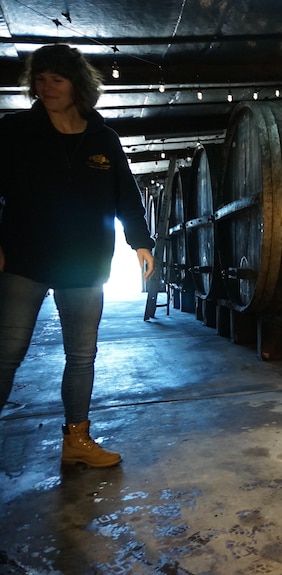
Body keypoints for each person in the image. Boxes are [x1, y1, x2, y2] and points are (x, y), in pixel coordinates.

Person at [0, 44, 155, 468]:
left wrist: (141, 242)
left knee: (82, 356)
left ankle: (77, 440)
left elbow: (127, 196)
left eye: (57, 79)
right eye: (40, 78)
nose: (45, 87)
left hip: (85, 263)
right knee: (7, 353)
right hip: (24, 258)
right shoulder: (14, 131)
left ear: (77, 85)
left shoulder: (102, 138)